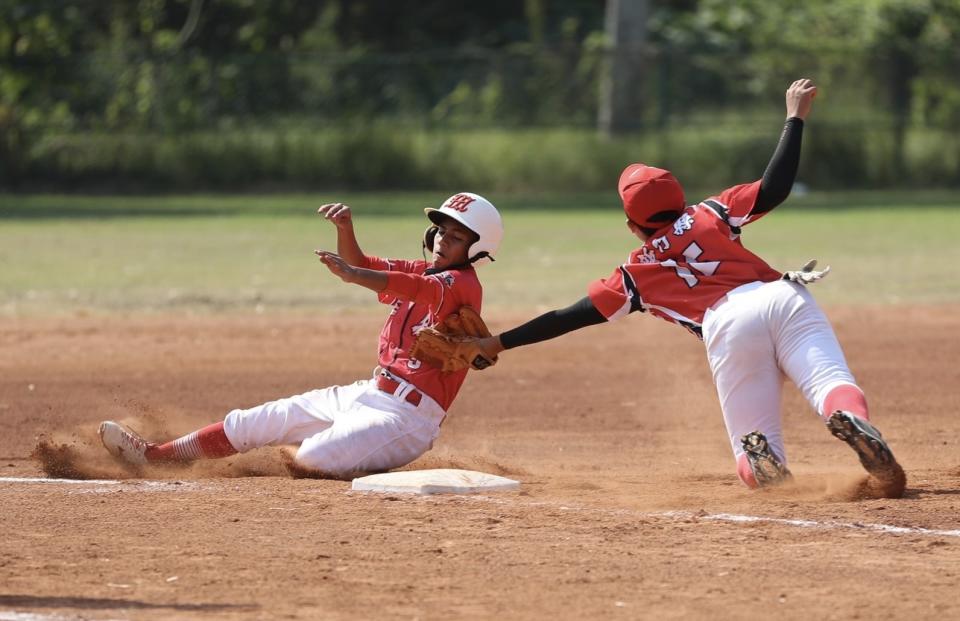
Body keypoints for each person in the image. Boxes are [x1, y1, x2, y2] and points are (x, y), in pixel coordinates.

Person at [472, 79, 905, 495]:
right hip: (781, 297)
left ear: (631, 226)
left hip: (727, 326)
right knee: (829, 382)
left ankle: (760, 456)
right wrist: (795, 118)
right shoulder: (709, 212)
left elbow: (570, 316)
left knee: (752, 441)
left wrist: (498, 342)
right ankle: (847, 417)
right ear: (679, 200)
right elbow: (774, 189)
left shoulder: (636, 273)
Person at [98, 193, 504, 478]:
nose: (441, 241)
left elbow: (402, 285)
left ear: (476, 249)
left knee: (311, 458)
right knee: (254, 422)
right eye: (441, 232)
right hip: (369, 393)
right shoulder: (420, 269)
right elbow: (360, 261)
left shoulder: (464, 285)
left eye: (455, 237)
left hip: (406, 419)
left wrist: (355, 275)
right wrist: (345, 228)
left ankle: (334, 449)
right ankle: (155, 456)